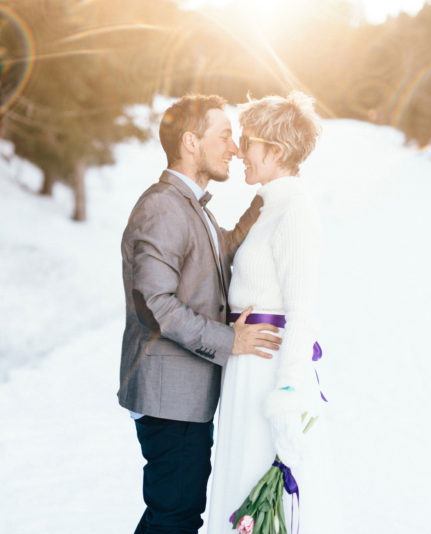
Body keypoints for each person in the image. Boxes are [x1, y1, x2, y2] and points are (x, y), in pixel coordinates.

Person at [118, 94, 283, 534]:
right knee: (176, 515)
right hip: (168, 397)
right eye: (225, 136)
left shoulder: (191, 207)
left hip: (182, 398)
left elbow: (215, 258)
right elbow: (155, 304)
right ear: (191, 142)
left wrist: (266, 201)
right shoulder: (162, 206)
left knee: (172, 513)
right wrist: (233, 341)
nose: (233, 148)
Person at [206, 91, 324, 533]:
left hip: (268, 376)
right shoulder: (268, 208)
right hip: (245, 372)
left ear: (275, 150)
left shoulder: (295, 212)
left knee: (255, 500)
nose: (239, 151)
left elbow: (302, 312)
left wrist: (289, 396)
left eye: (248, 141)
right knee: (236, 486)